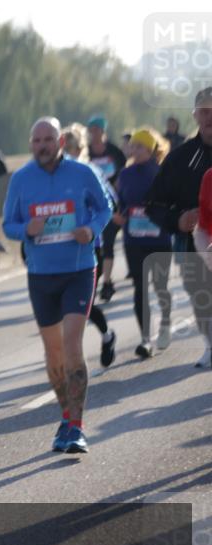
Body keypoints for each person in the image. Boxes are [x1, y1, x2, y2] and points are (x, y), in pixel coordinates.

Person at [4, 117, 113, 454]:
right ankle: (65, 417)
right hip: (41, 275)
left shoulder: (82, 173)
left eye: (48, 140)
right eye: (36, 141)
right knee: (53, 353)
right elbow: (9, 224)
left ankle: (77, 428)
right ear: (31, 144)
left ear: (60, 142)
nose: (42, 146)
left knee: (72, 345)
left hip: (79, 269)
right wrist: (27, 231)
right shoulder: (21, 180)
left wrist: (92, 229)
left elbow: (106, 208)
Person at [146, 87, 212, 369]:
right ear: (195, 115)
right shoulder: (180, 158)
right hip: (192, 242)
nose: (211, 116)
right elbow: (153, 204)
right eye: (205, 110)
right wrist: (178, 220)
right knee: (201, 294)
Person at [60, 123, 118, 368]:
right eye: (66, 147)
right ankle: (69, 356)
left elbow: (110, 203)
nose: (68, 153)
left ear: (81, 148)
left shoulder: (90, 171)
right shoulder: (54, 175)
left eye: (74, 147)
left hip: (89, 246)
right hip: (59, 247)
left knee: (85, 304)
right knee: (62, 304)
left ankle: (106, 335)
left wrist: (90, 224)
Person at [113, 128, 173, 358]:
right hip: (134, 240)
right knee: (140, 288)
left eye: (139, 146)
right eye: (133, 146)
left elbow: (172, 202)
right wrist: (118, 215)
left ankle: (165, 324)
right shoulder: (125, 175)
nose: (133, 149)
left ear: (150, 150)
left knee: (160, 287)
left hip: (159, 240)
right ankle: (145, 339)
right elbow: (119, 203)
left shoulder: (162, 173)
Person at [86, 114, 128, 302]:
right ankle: (96, 279)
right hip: (90, 205)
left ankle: (107, 282)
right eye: (91, 131)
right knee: (97, 246)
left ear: (103, 131)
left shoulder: (114, 152)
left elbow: (123, 175)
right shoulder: (86, 152)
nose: (94, 134)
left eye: (97, 130)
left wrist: (118, 206)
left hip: (113, 202)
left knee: (109, 241)